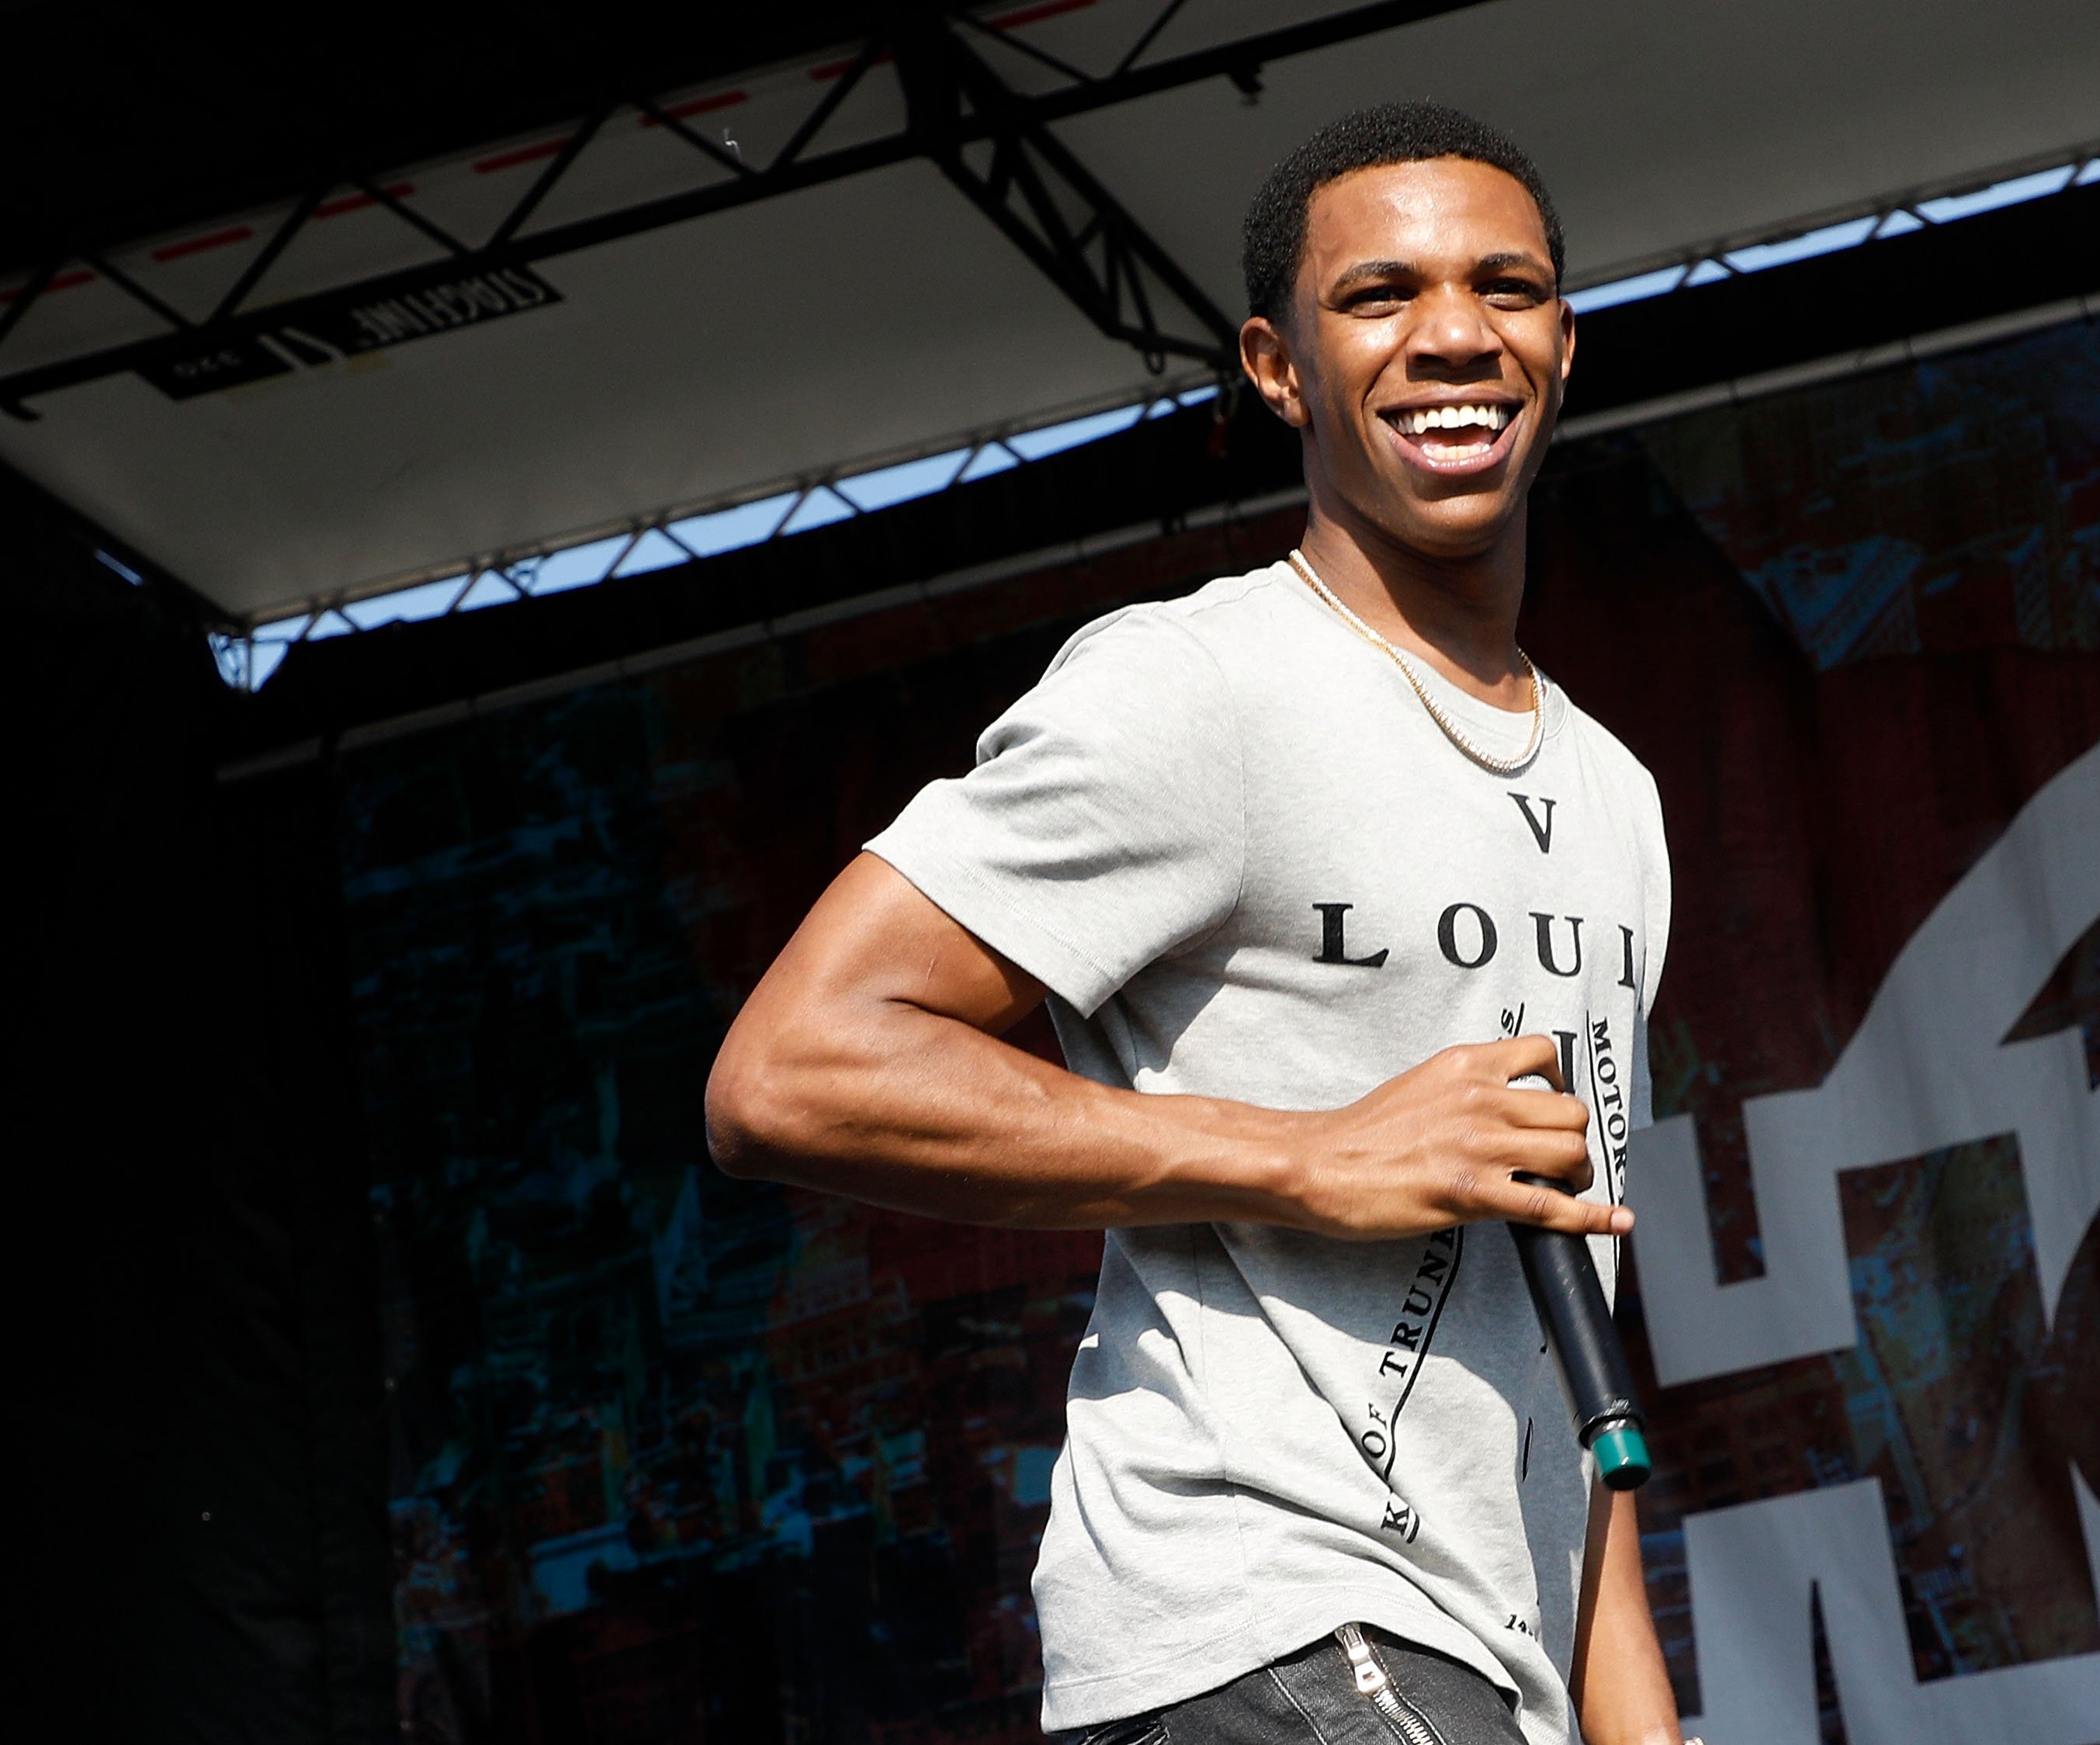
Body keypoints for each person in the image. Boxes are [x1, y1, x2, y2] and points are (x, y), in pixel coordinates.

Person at [707, 102, 1681, 1745]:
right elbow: (789, 1071)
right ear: (1278, 366)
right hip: (1265, 1626)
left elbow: (1570, 1366)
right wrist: (1308, 1157)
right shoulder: (1203, 688)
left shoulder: (1616, 799)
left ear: (1563, 345)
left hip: (1478, 1665)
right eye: (1380, 296)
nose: (1453, 332)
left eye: (1503, 287)